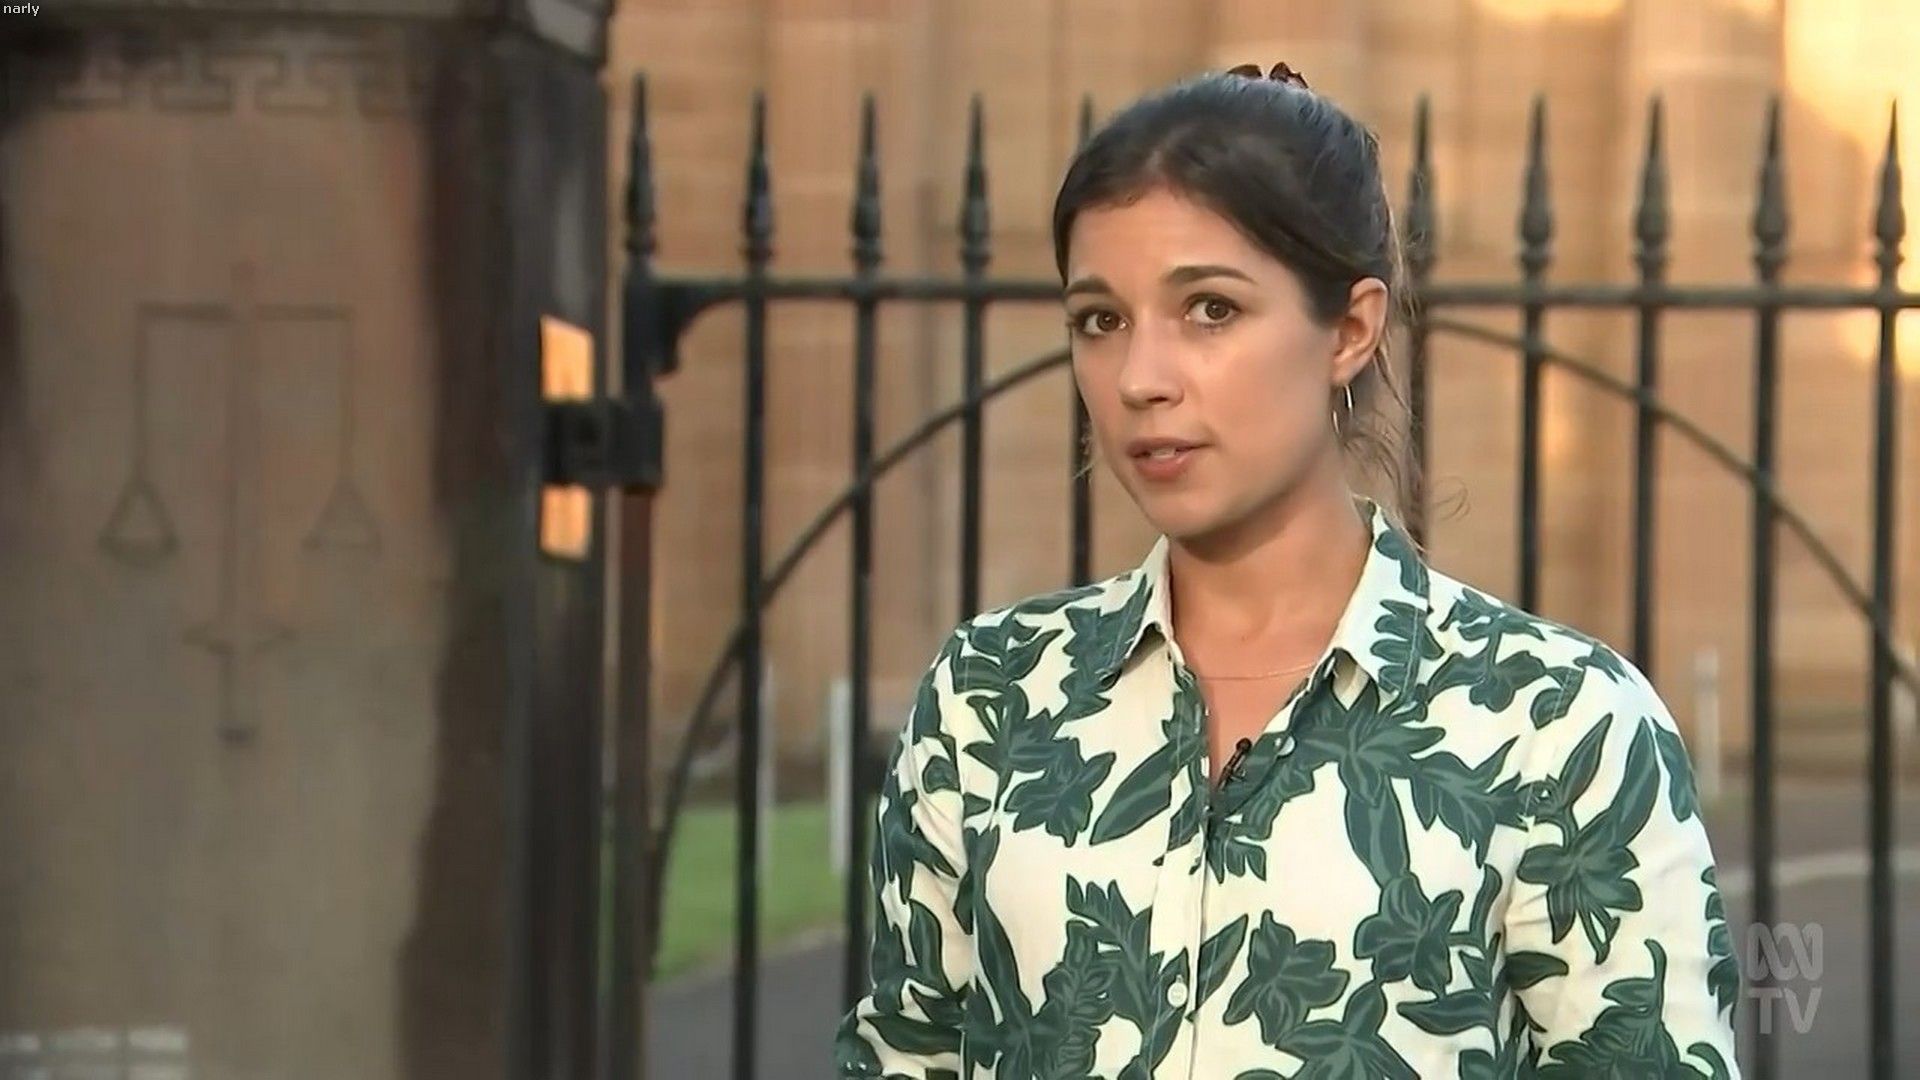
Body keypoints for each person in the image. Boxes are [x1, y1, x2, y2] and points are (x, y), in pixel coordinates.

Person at [835, 62, 1740, 1079]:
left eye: (1210, 309)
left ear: (1350, 330)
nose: (1139, 379)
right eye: (1101, 320)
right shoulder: (991, 696)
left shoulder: (1559, 726)